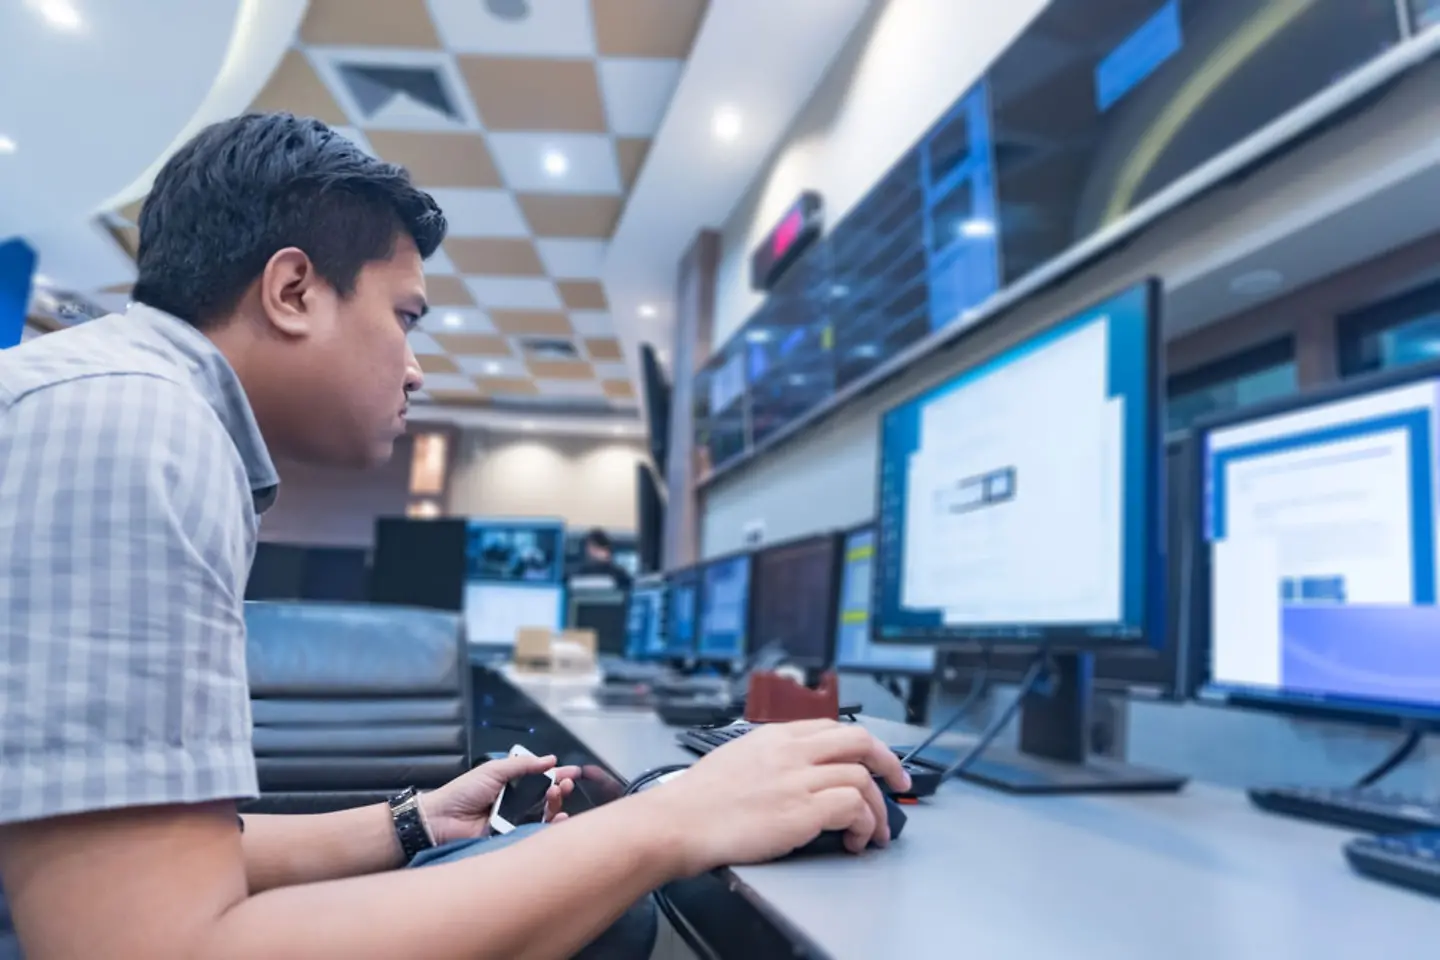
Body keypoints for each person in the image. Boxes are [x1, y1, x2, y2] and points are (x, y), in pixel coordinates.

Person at [0, 112, 909, 959]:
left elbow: (152, 864)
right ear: (291, 290)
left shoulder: (127, 406)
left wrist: (412, 824)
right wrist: (673, 822)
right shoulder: (130, 427)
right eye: (404, 317)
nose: (417, 367)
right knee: (619, 913)